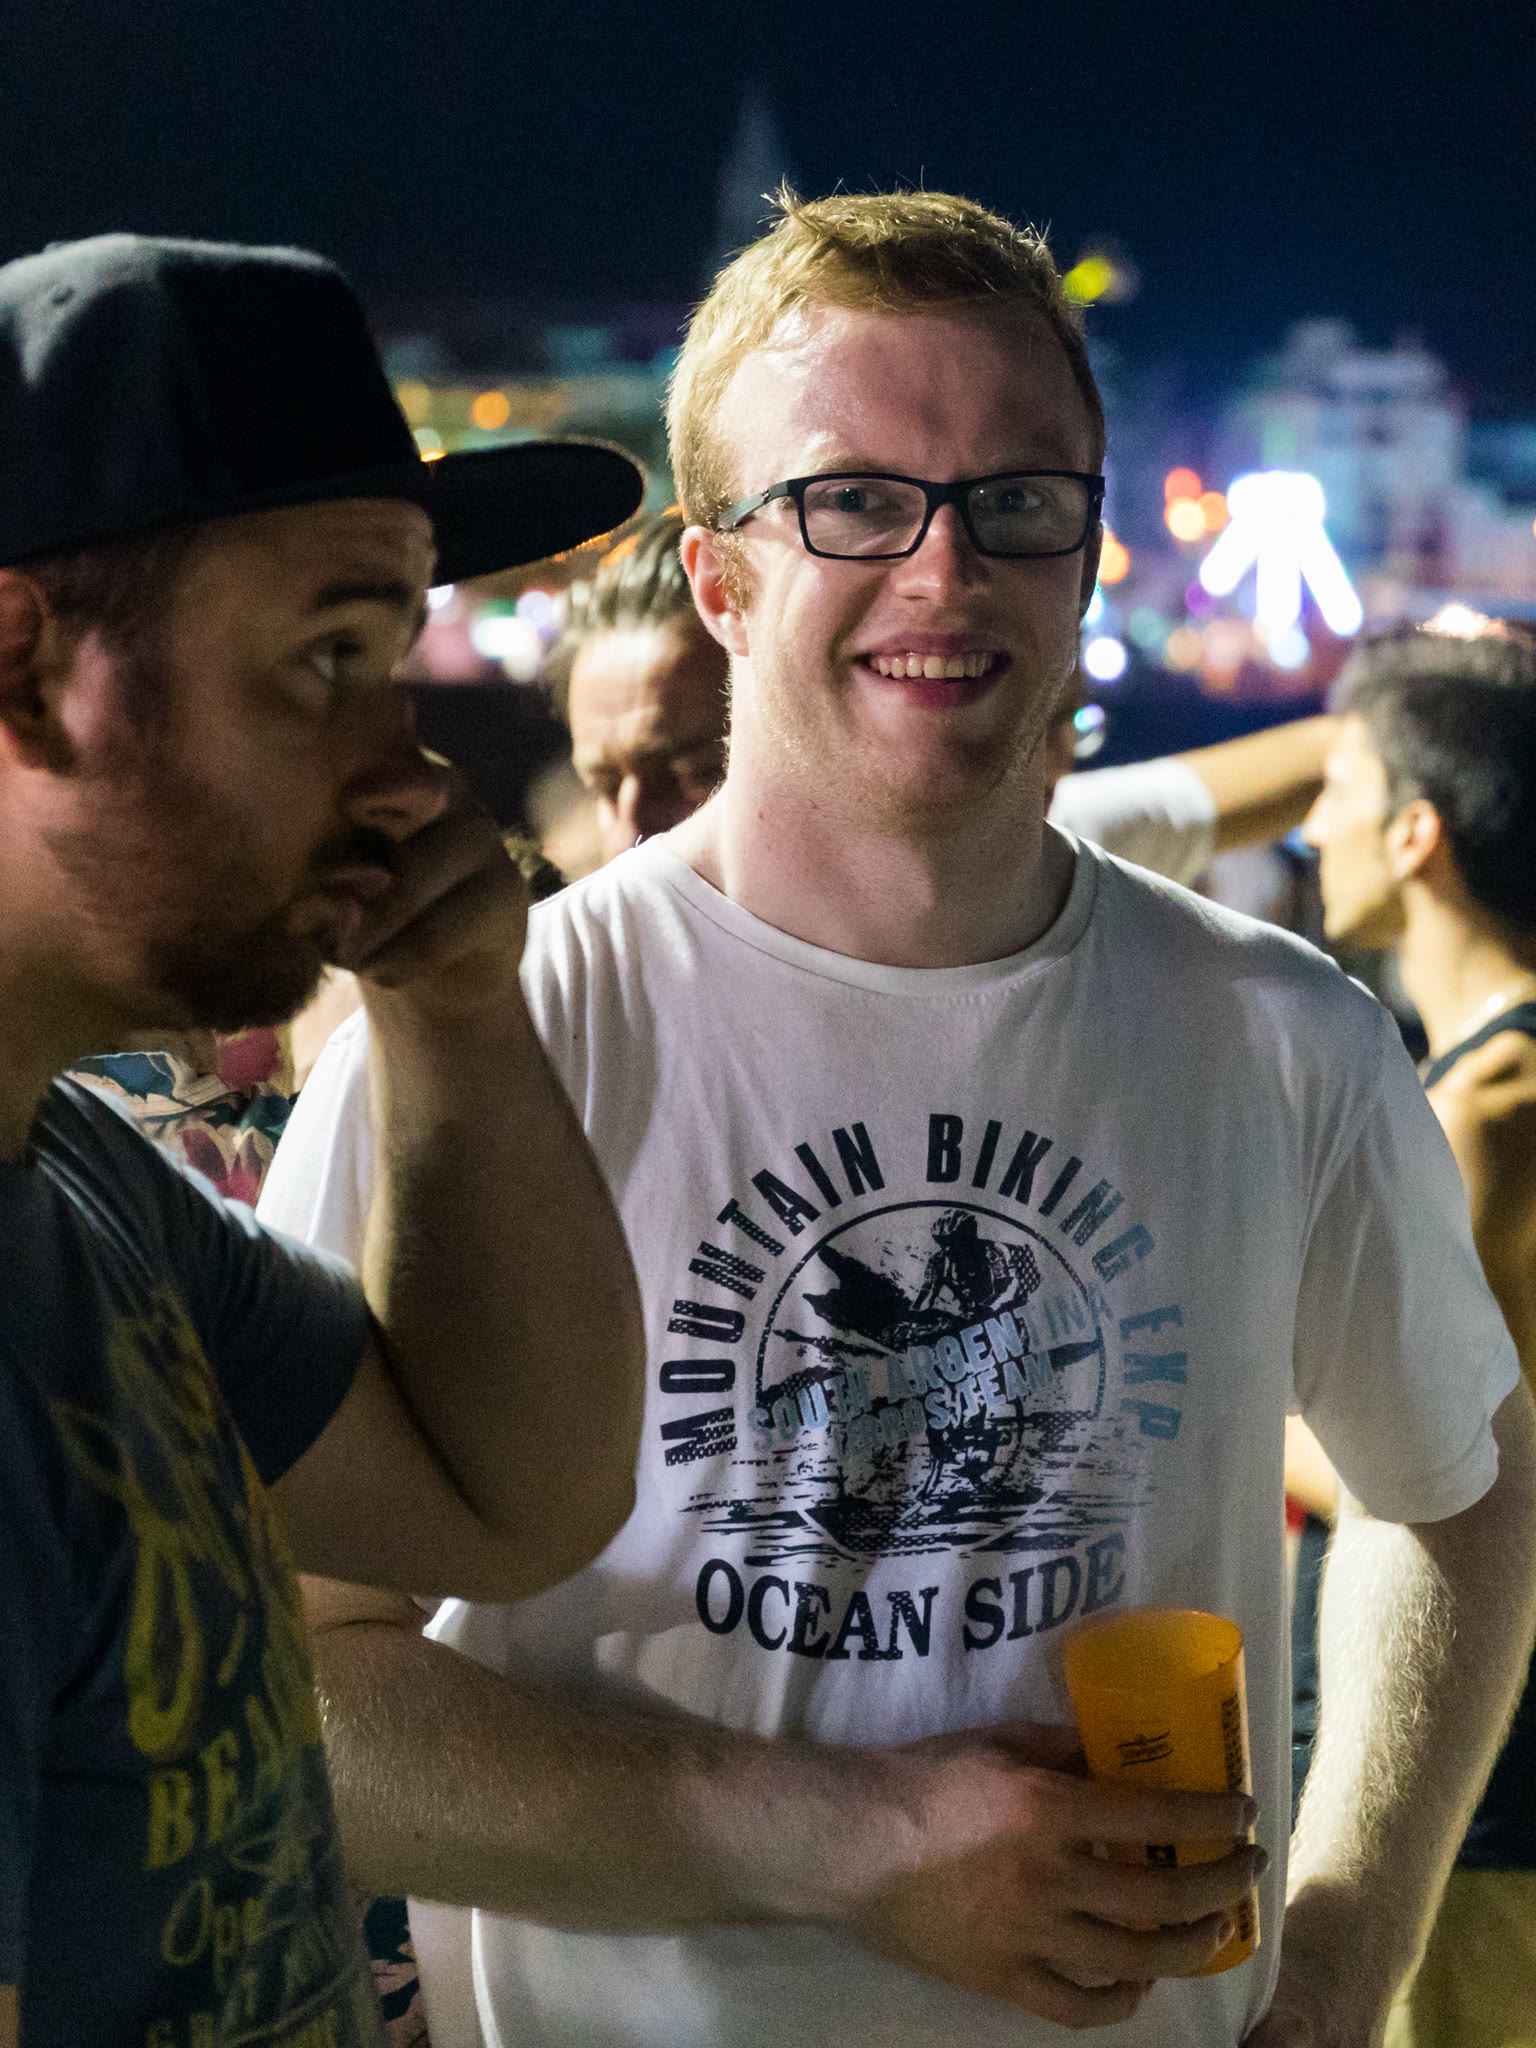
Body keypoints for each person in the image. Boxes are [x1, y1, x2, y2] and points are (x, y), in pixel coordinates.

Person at [262, 189, 1536, 2048]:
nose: (946, 570)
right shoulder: (490, 1038)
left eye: (1016, 499)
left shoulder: (1284, 1039)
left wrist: (1342, 1964)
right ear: (719, 579)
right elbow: (288, 1682)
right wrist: (853, 1842)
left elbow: (1464, 1496)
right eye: (854, 500)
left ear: (1085, 552)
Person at [0, 233, 646, 2047]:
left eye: (401, 655)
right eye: (331, 657)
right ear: (25, 665)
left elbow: (508, 1501)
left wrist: (455, 1010)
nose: (410, 768)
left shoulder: (83, 1185)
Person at [1299, 613, 1536, 2048]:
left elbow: (1459, 1467)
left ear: (1416, 834)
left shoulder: (1482, 1114)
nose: (1312, 824)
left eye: (1338, 786)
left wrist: (1221, 1399)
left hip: (1484, 1807)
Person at [551, 508, 1334, 879]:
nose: (631, 833)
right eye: (604, 785)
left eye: (694, 773)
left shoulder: (1008, 869)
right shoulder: (564, 985)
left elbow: (1329, 755)